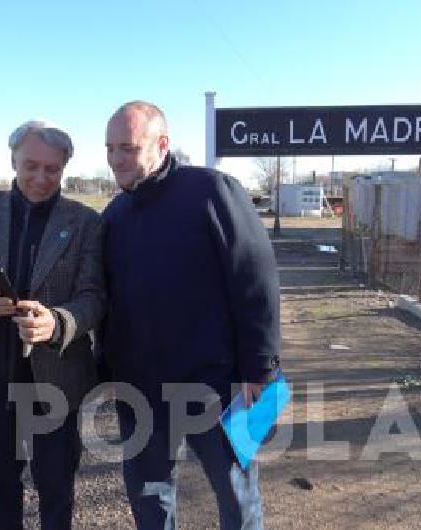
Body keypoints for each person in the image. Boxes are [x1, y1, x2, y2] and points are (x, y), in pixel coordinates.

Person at [99, 101, 281, 529]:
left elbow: (255, 282)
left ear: (162, 145)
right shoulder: (115, 215)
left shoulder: (212, 192)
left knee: (236, 494)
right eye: (110, 148)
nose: (116, 159)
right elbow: (109, 301)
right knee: (149, 495)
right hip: (139, 387)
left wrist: (261, 368)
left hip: (216, 385)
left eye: (127, 147)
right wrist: (106, 369)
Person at [0, 119, 105, 529]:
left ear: (65, 168)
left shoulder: (85, 222)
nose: (40, 178)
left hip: (56, 377)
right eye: (30, 165)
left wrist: (59, 323)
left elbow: (94, 298)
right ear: (13, 160)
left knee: (56, 487)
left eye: (52, 169)